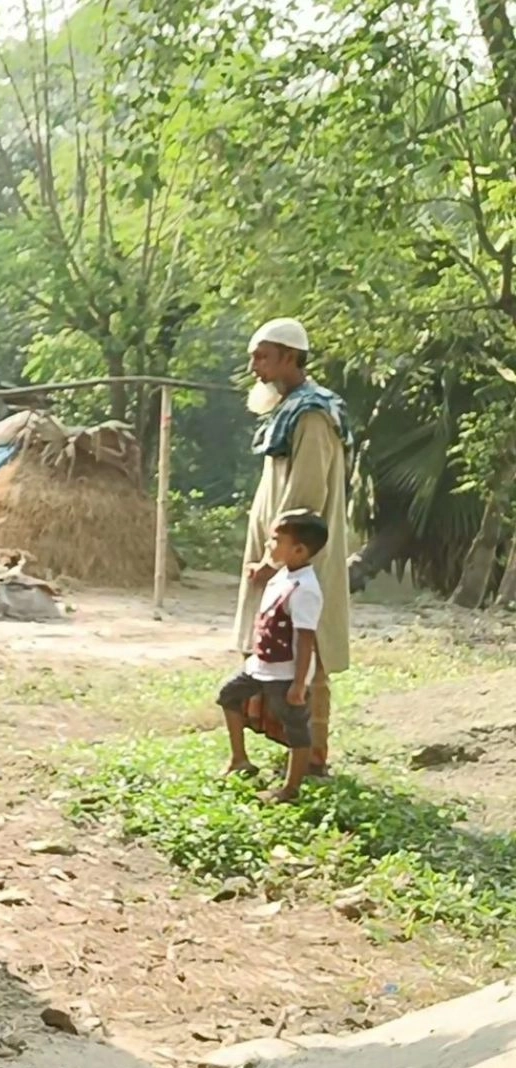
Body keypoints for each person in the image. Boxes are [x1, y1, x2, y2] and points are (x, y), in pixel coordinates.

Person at [235, 318, 350, 775]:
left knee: (306, 651)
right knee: (273, 649)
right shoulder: (290, 409)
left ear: (288, 356)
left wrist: (274, 560)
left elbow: (304, 503)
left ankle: (311, 759)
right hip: (282, 561)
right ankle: (287, 750)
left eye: (262, 356)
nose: (254, 367)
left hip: (298, 564)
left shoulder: (314, 414)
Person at [218, 512, 330, 804]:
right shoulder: (284, 575)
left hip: (285, 673)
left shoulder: (306, 589)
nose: (269, 544)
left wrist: (298, 683)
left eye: (276, 540)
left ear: (299, 550)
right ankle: (238, 758)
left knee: (296, 729)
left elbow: (306, 641)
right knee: (229, 695)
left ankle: (290, 789)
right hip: (260, 667)